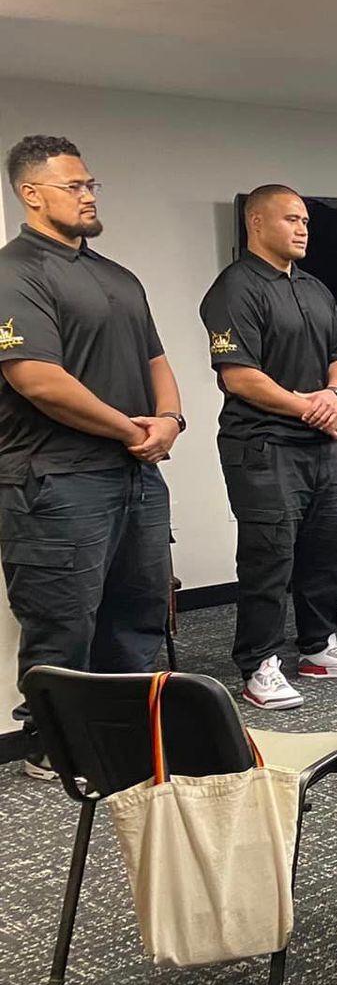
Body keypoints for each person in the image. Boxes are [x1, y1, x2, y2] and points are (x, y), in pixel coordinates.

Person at [0, 135, 179, 779]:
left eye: (90, 185)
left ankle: (131, 729)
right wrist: (128, 430)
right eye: (73, 186)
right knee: (62, 622)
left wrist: (169, 419)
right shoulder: (15, 273)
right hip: (56, 482)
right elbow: (37, 380)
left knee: (138, 611)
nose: (87, 195)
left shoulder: (117, 276)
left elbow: (156, 359)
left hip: (134, 477)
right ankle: (54, 748)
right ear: (31, 193)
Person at [200, 185, 337, 711]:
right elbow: (239, 377)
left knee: (328, 552)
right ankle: (258, 664)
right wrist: (308, 406)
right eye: (291, 219)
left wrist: (334, 395)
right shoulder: (235, 288)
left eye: (305, 220)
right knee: (269, 559)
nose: (303, 229)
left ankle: (319, 648)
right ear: (256, 223)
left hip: (323, 444)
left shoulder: (315, 288)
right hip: (264, 446)